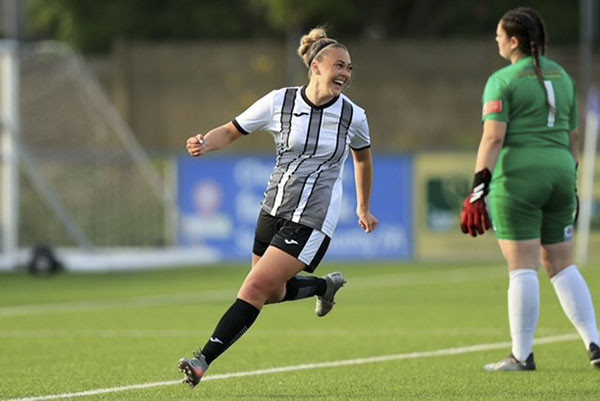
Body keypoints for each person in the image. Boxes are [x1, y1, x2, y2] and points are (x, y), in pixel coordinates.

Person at [178, 27, 379, 387]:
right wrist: (204, 142)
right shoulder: (279, 102)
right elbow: (232, 129)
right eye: (339, 66)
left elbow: (362, 159)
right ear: (316, 66)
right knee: (271, 293)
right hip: (274, 207)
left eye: (350, 68)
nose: (346, 74)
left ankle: (202, 360)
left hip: (313, 219)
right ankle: (322, 288)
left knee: (253, 287)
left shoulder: (354, 116)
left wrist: (363, 207)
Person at [461, 7, 600, 371]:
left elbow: (493, 136)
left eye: (499, 35)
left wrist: (477, 189)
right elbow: (573, 137)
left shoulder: (503, 80)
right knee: (561, 264)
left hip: (520, 176)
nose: (496, 41)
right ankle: (595, 344)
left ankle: (522, 355)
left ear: (515, 41)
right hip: (560, 173)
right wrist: (570, 182)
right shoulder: (565, 78)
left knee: (522, 266)